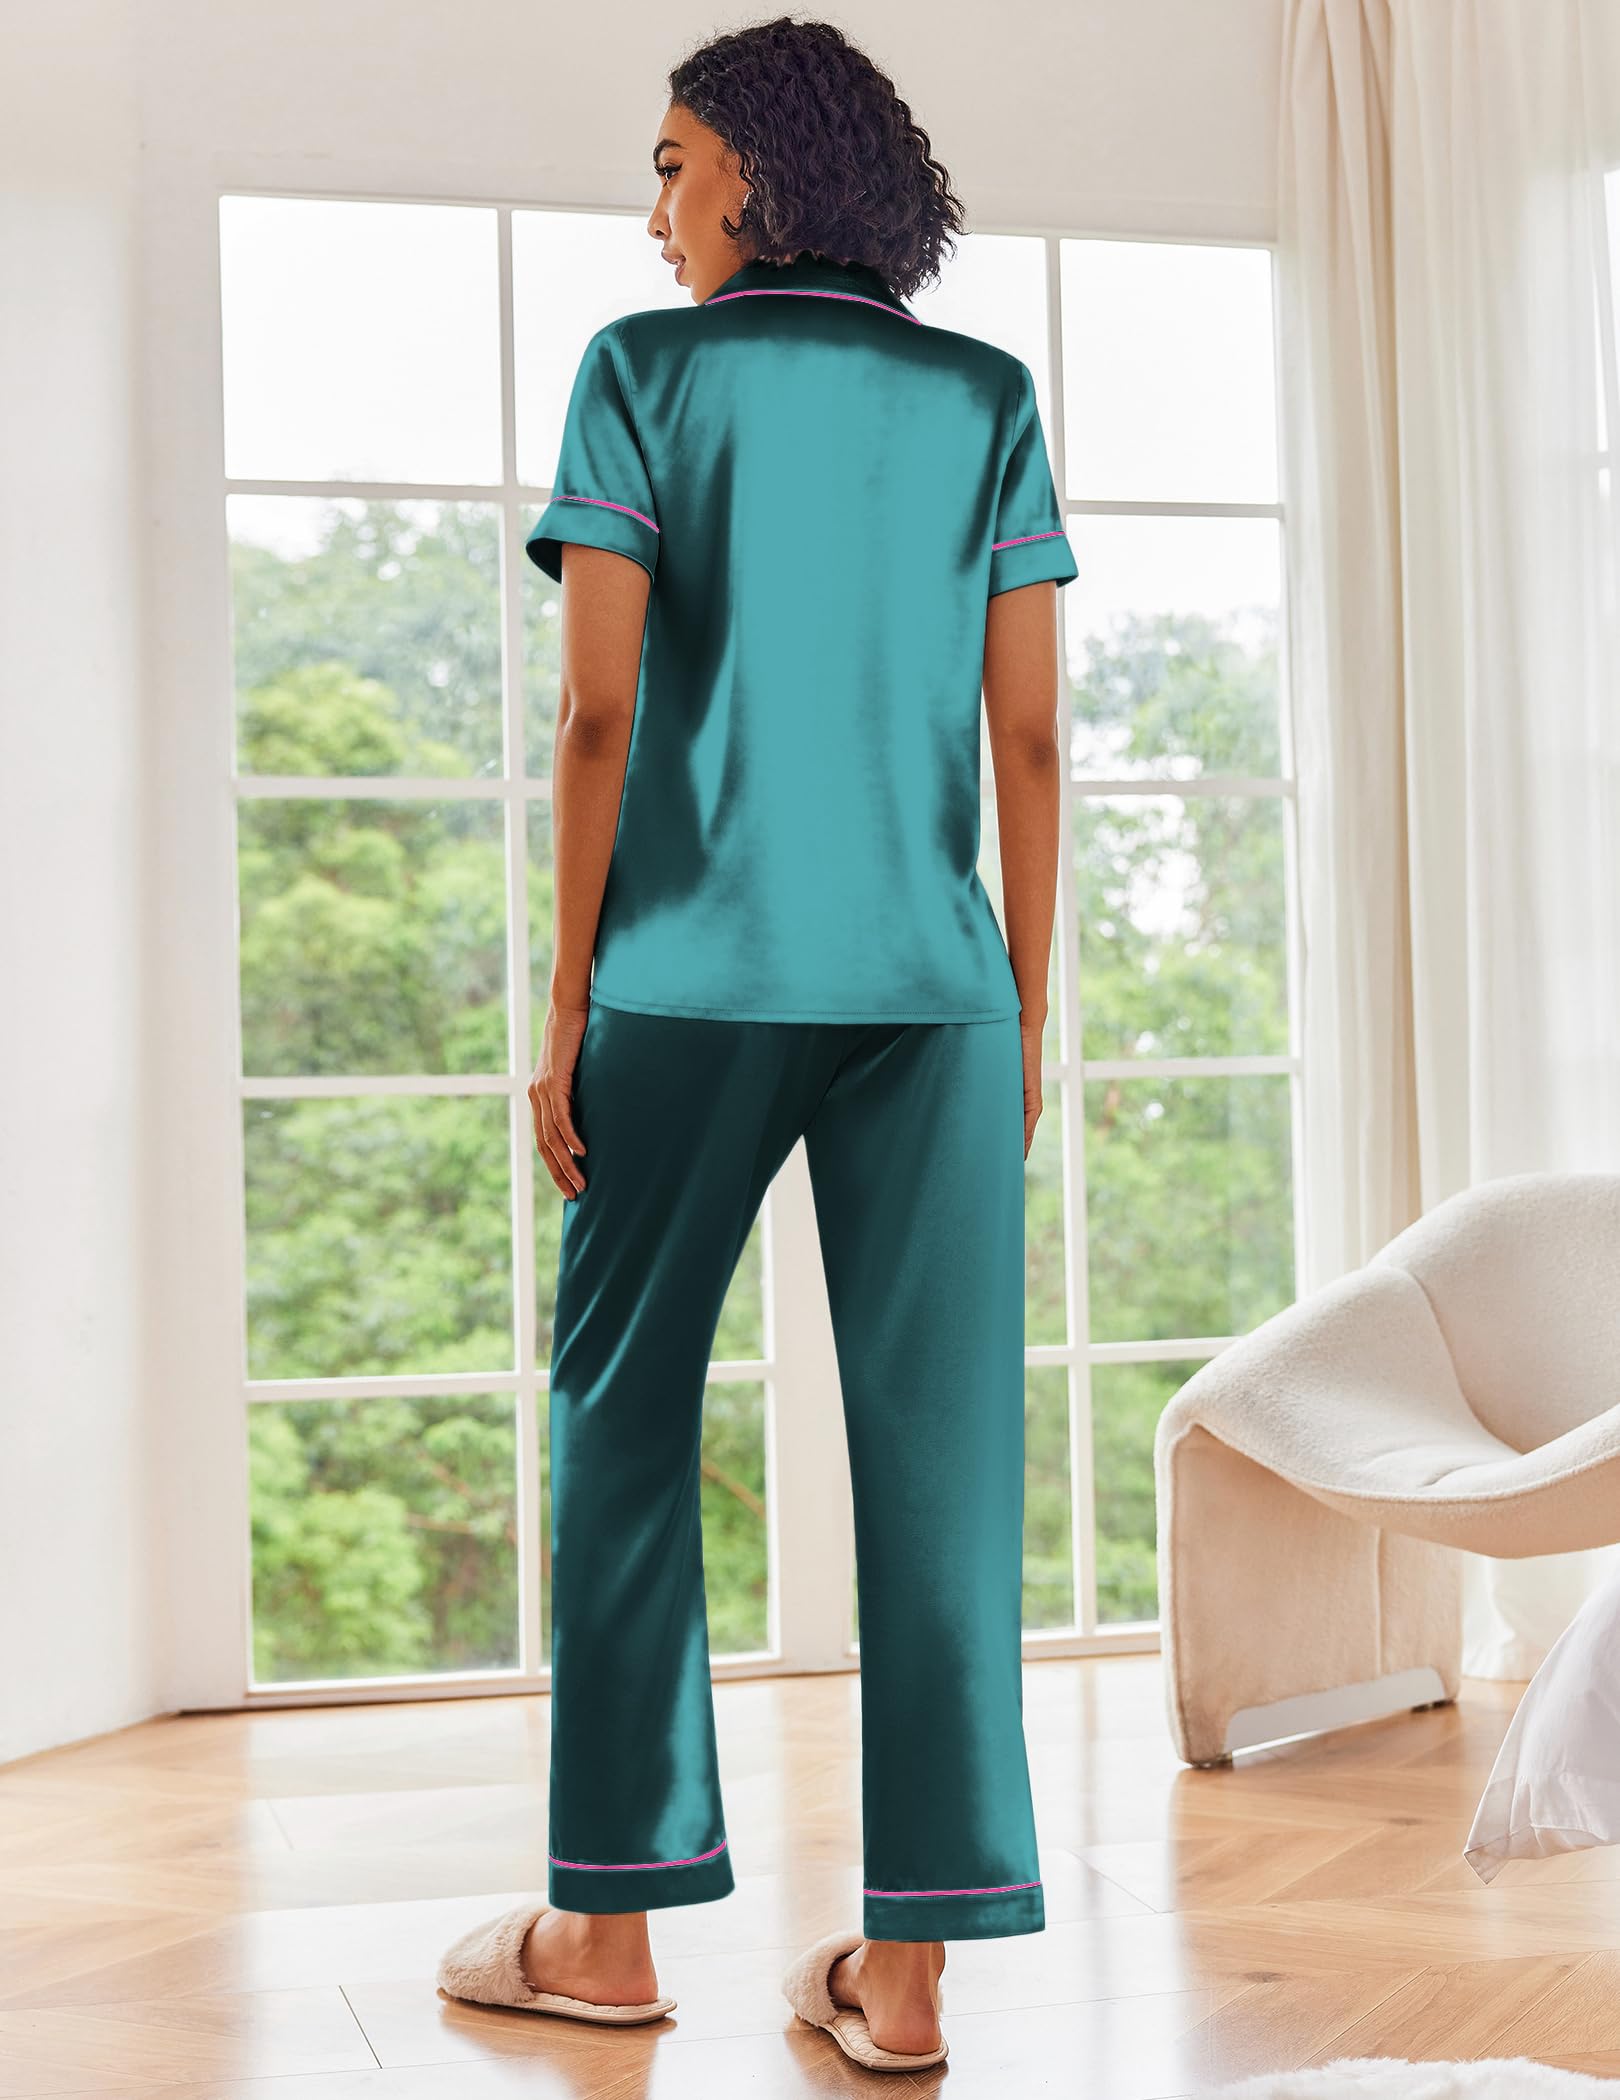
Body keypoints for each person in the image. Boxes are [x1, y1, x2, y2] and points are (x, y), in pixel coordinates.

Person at [436, 14, 1077, 2070]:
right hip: (936, 998)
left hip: (689, 983)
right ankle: (909, 1983)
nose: (655, 212)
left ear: (756, 174)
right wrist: (1024, 1013)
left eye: (671, 165)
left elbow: (598, 715)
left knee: (623, 1413)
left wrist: (564, 1002)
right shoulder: (985, 397)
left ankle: (608, 1934)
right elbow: (1031, 737)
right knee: (944, 1462)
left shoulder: (644, 377)